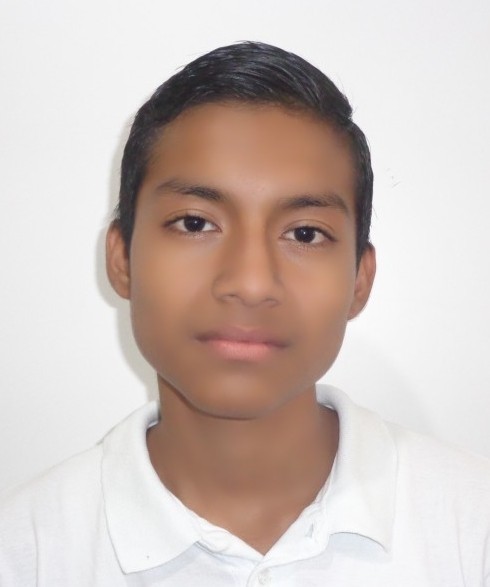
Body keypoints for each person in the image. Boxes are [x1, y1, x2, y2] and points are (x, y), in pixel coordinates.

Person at [0, 41, 489, 586]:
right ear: (121, 259)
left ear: (359, 279)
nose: (251, 284)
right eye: (195, 223)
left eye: (305, 234)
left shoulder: (472, 528)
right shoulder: (26, 551)